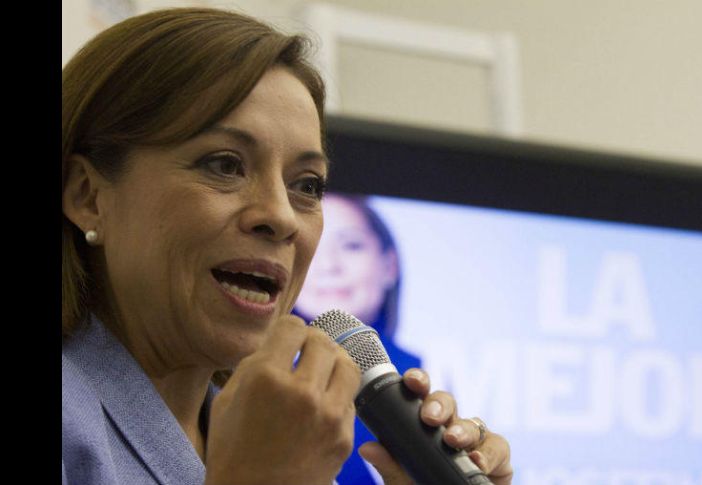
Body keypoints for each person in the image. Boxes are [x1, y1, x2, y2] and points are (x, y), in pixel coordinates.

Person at [61, 7, 514, 485]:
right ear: (88, 196)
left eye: (307, 186)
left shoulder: (279, 447)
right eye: (225, 165)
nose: (281, 217)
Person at [294, 193, 421, 484]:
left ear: (389, 265)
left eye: (351, 245)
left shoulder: (427, 379)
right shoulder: (246, 380)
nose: (329, 265)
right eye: (312, 246)